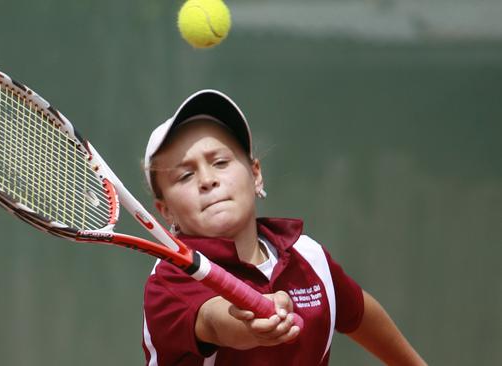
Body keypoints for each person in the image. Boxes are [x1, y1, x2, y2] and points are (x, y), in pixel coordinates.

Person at [140, 89, 426, 365]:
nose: (207, 179)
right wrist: (251, 324)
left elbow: (359, 312)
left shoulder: (309, 257)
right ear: (166, 211)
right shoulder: (169, 280)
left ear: (256, 175)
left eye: (221, 162)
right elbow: (215, 322)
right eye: (186, 175)